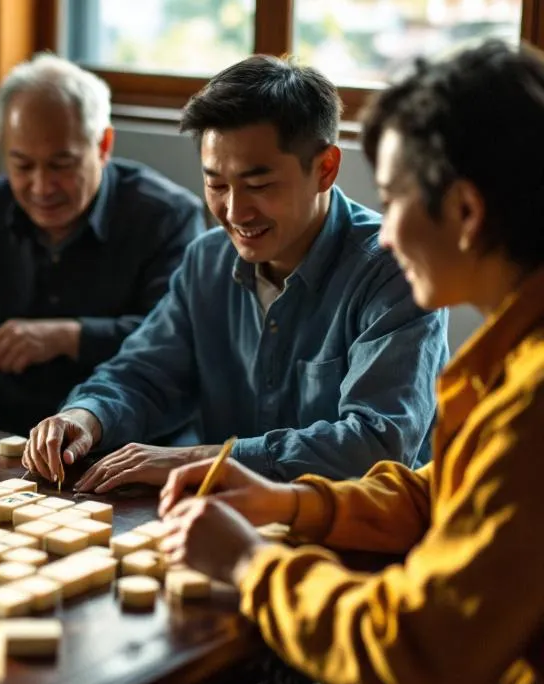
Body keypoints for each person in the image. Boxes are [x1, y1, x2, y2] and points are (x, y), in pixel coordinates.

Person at [159, 38, 544, 684]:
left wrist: (253, 563)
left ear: (465, 211)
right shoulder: (517, 354)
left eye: (393, 201)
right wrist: (293, 502)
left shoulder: (534, 405)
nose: (386, 235)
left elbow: (415, 654)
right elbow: (446, 491)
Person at [25, 55, 448, 492]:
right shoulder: (207, 261)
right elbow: (144, 374)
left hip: (364, 536)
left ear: (324, 168)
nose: (235, 212)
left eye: (259, 185)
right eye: (217, 185)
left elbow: (377, 443)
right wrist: (87, 416)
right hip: (226, 523)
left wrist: (201, 460)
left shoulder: (395, 268)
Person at [0, 53, 205, 435]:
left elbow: (172, 342)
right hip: (0, 426)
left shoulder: (167, 216)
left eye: (61, 165)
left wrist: (66, 337)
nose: (42, 187)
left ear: (103, 145)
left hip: (126, 434)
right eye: (23, 166)